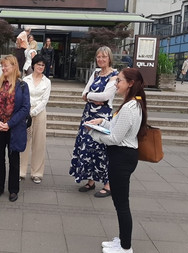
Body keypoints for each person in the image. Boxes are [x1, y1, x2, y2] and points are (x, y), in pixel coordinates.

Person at [85, 68, 148, 253]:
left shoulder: (130, 107)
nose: (115, 84)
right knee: (120, 202)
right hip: (123, 155)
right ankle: (122, 240)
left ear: (130, 83)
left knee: (121, 204)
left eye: (119, 81)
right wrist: (102, 123)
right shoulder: (131, 103)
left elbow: (114, 139)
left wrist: (93, 134)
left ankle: (126, 247)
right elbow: (116, 128)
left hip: (122, 157)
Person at [69, 46, 118, 198]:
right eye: (98, 57)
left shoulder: (115, 76)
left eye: (104, 57)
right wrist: (91, 96)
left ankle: (108, 184)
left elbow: (105, 96)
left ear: (109, 58)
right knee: (87, 148)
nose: (101, 59)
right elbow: (83, 94)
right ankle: (90, 181)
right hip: (88, 115)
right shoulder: (95, 73)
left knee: (101, 149)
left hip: (102, 117)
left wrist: (90, 96)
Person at [0, 55, 30, 202]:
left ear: (14, 67)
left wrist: (10, 123)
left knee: (14, 160)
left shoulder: (22, 86)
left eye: (6, 65)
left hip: (14, 129)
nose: (3, 68)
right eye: (2, 66)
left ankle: (13, 190)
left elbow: (25, 108)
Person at [20, 55, 51, 184]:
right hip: (25, 112)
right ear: (33, 65)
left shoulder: (47, 81)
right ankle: (20, 171)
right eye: (38, 64)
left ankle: (37, 173)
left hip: (39, 113)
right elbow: (22, 96)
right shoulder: (25, 80)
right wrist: (27, 111)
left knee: (39, 143)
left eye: (43, 65)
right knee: (24, 142)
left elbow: (44, 100)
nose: (40, 67)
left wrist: (33, 112)